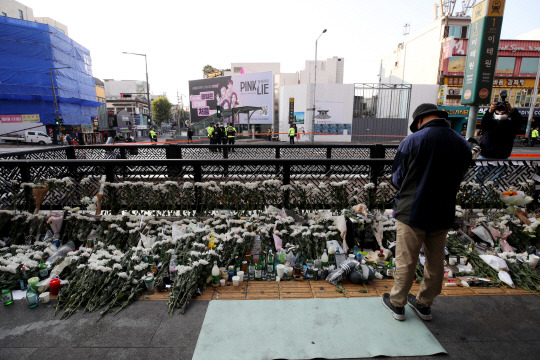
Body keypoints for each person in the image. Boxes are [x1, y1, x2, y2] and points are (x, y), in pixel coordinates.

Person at [382, 103, 471, 322]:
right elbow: (462, 175)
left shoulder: (413, 140)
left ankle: (397, 304)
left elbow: (397, 178)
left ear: (420, 120)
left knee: (406, 259)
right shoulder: (461, 143)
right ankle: (424, 304)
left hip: (412, 210)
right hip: (443, 211)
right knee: (435, 260)